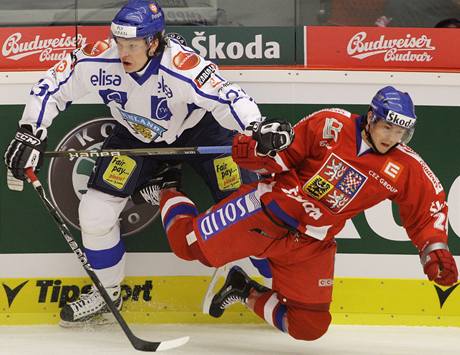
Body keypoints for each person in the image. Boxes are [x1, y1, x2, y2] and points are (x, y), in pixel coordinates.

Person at [3, 0, 263, 326]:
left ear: (153, 42)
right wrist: (30, 131)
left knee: (253, 208)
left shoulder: (181, 65)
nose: (122, 51)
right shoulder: (101, 58)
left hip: (200, 134)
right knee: (95, 214)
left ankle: (276, 287)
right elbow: (52, 86)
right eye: (119, 42)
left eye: (132, 45)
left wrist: (255, 129)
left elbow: (229, 96)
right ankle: (108, 293)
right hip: (135, 136)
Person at [143, 86, 458, 341]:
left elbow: (428, 209)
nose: (391, 137)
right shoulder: (331, 124)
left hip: (309, 245)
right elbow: (270, 160)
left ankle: (242, 289)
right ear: (372, 118)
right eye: (386, 126)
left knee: (309, 326)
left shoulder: (405, 166)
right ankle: (168, 185)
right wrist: (259, 146)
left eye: (399, 131)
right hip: (263, 215)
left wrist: (434, 250)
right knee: (188, 246)